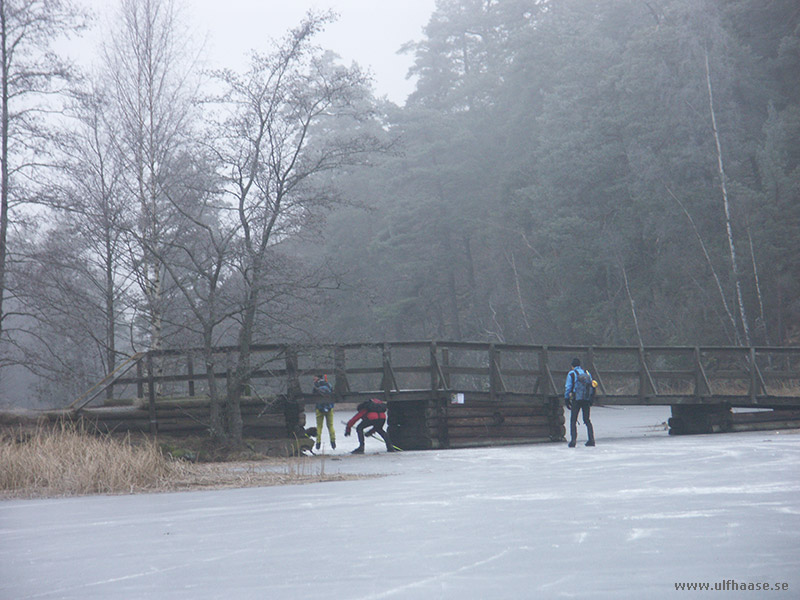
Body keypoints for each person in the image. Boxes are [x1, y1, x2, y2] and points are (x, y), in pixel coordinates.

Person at [564, 357, 596, 447]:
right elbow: (592, 385)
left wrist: (566, 399)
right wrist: (591, 399)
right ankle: (591, 439)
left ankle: (573, 441)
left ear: (572, 366)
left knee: (573, 420)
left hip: (576, 399)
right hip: (586, 399)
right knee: (587, 420)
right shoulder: (587, 373)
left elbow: (568, 387)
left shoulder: (572, 373)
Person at [312, 374, 336, 450]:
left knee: (319, 426)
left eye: (314, 377)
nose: (313, 379)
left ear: (317, 378)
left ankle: (318, 443)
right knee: (330, 425)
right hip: (329, 408)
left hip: (319, 408)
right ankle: (333, 442)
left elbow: (313, 397)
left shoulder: (316, 386)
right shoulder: (328, 385)